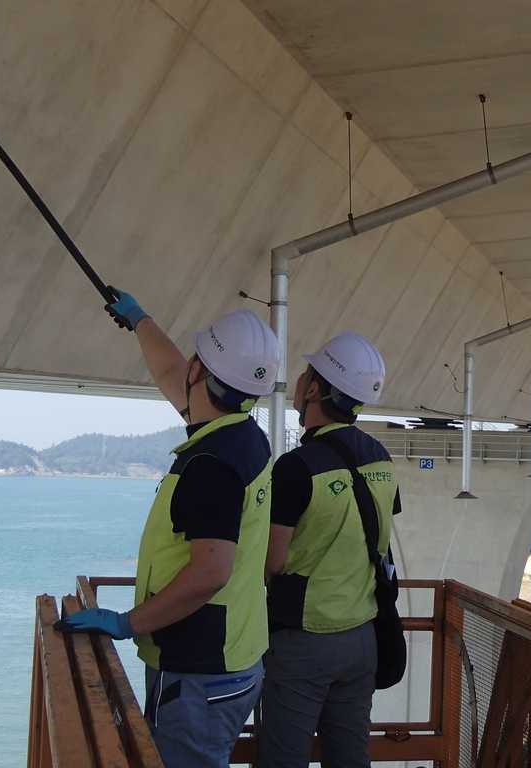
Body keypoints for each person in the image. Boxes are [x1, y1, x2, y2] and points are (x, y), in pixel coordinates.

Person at [55, 290, 278, 768]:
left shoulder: (211, 465)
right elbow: (170, 373)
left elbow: (209, 573)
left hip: (200, 672)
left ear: (201, 371)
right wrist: (139, 321)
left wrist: (125, 624)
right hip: (235, 656)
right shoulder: (242, 436)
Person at [258, 331, 401, 768]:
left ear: (315, 390)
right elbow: (374, 536)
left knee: (284, 760)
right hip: (363, 636)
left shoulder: (295, 467)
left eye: (305, 374)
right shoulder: (381, 458)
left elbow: (272, 562)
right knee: (349, 759)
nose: (299, 382)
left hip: (305, 641)